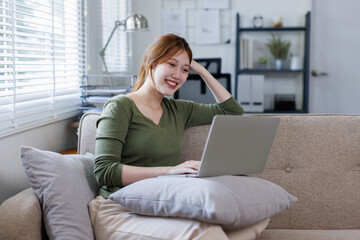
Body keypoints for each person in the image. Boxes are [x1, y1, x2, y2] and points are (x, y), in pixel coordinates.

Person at [94, 33, 244, 198]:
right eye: (171, 64)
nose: (178, 75)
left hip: (162, 201)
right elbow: (104, 171)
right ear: (151, 64)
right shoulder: (120, 106)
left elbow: (232, 111)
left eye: (185, 70)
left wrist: (202, 70)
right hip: (119, 204)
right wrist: (170, 171)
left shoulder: (179, 110)